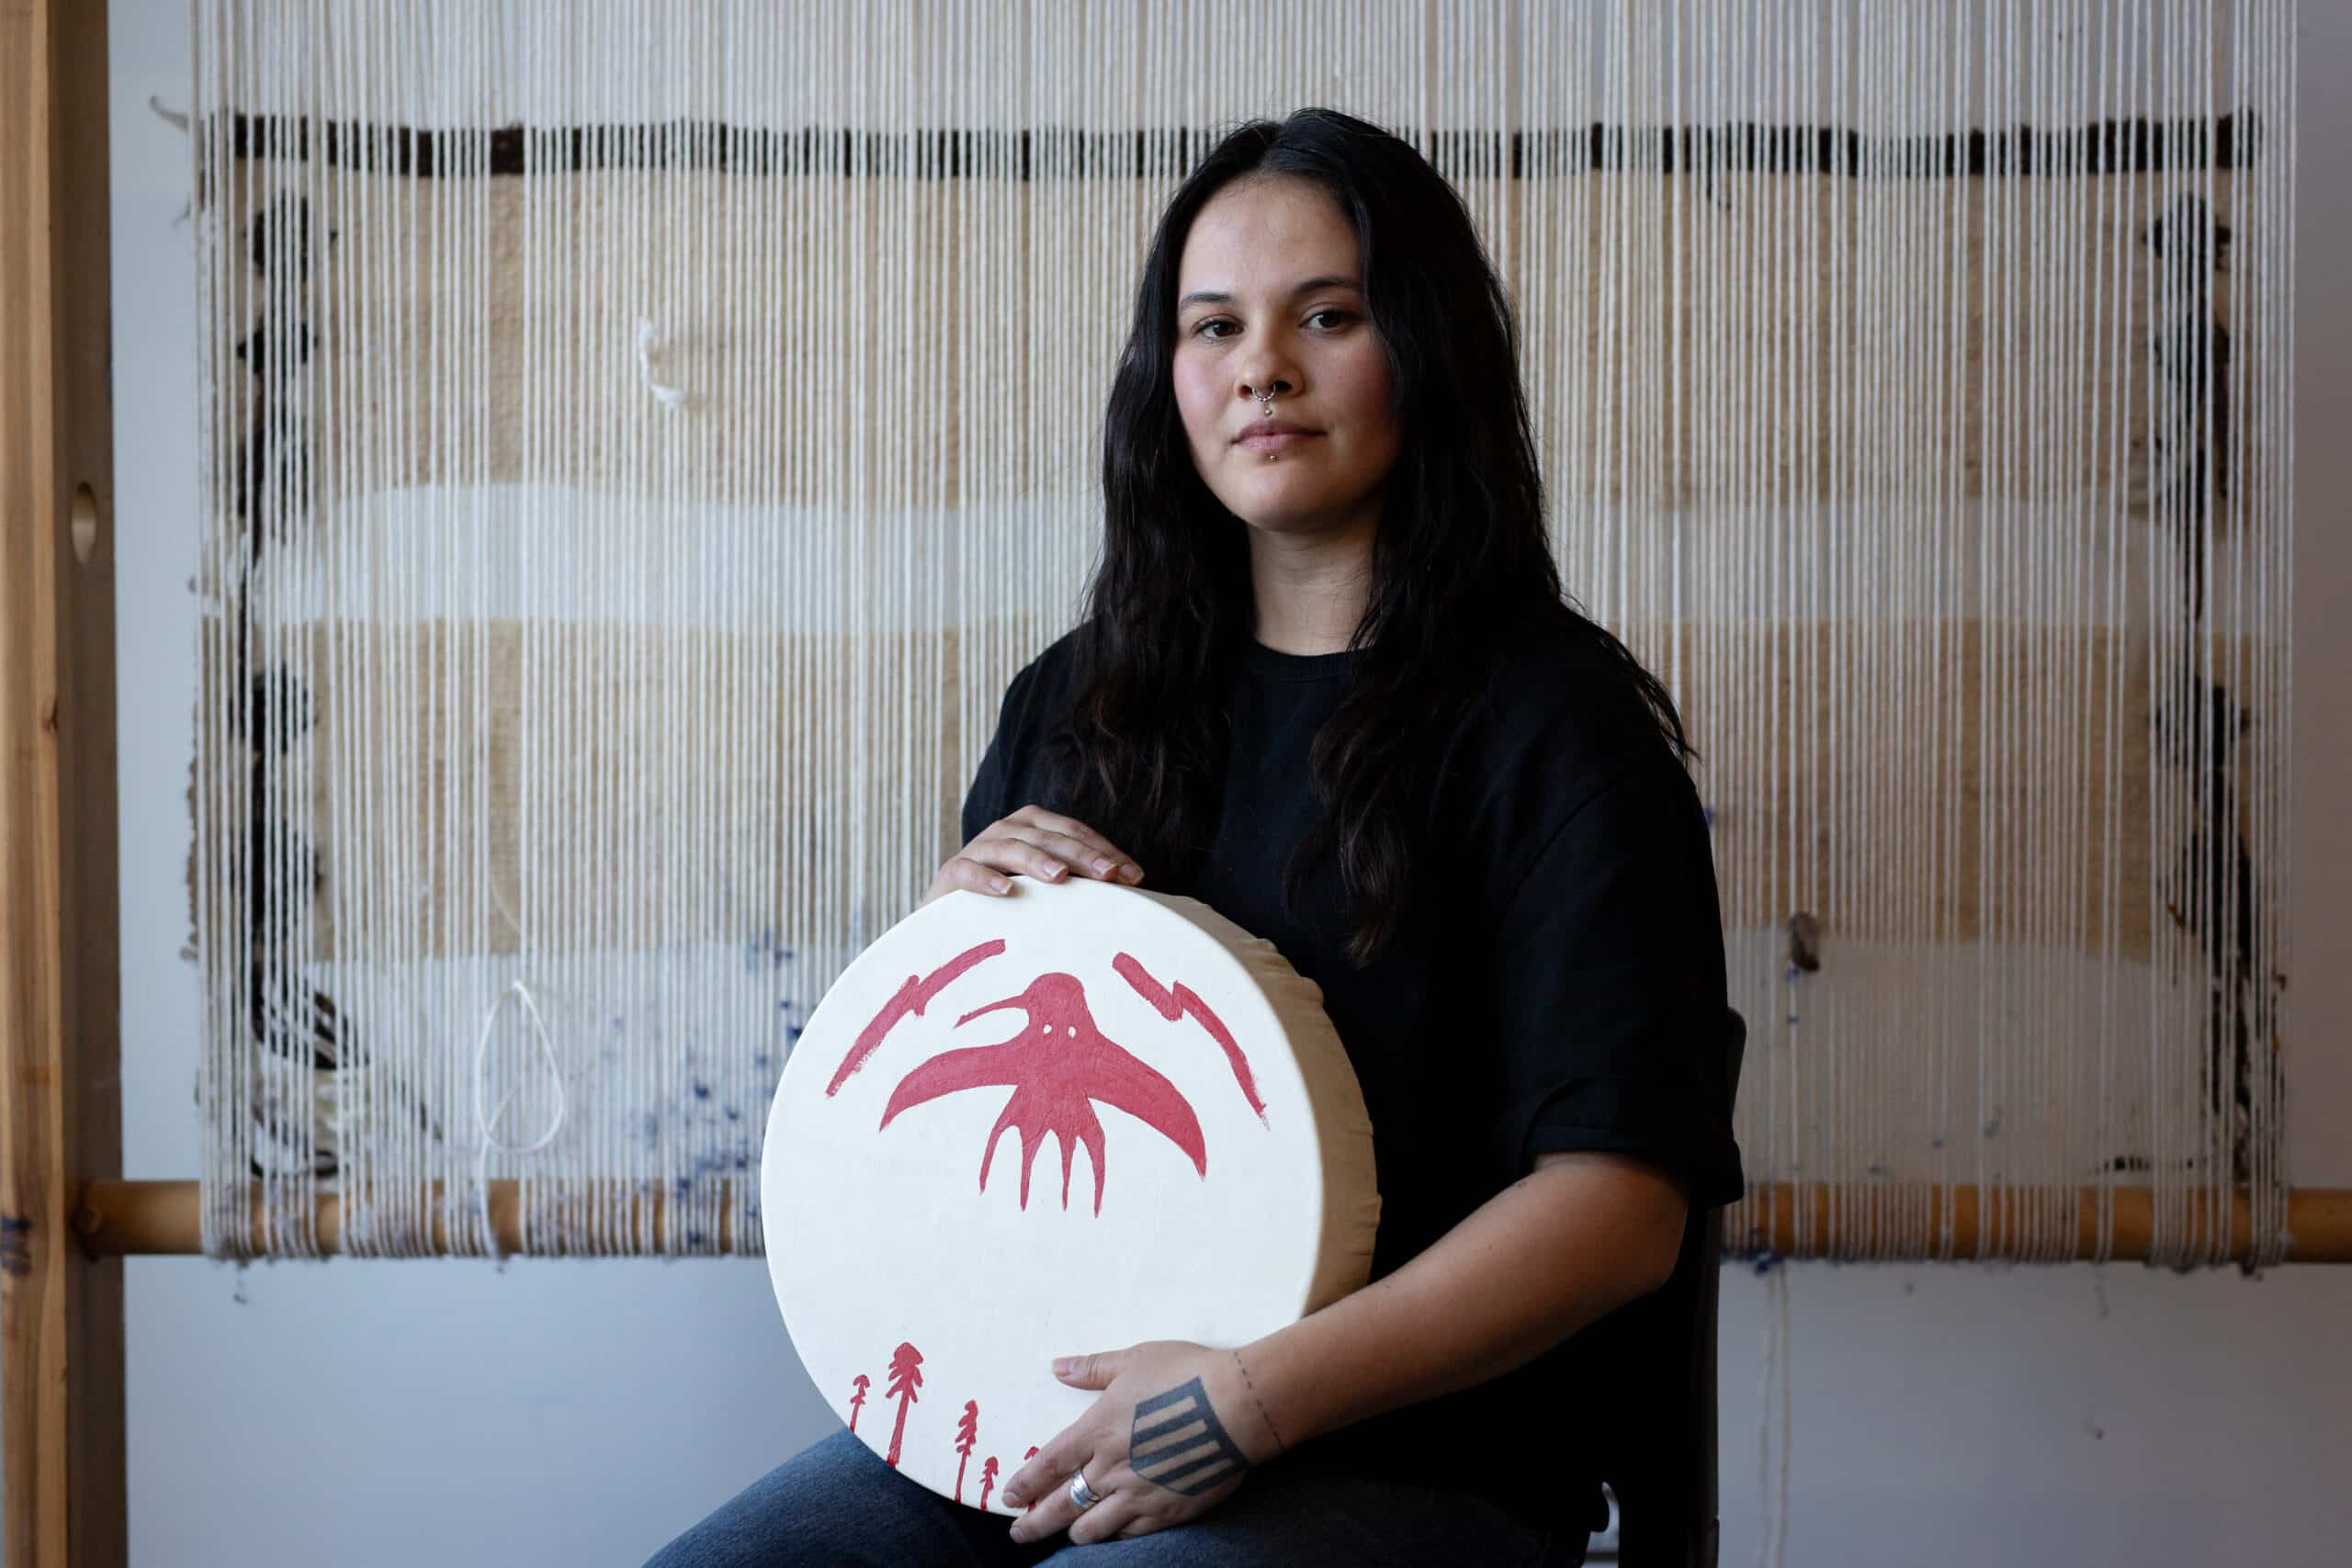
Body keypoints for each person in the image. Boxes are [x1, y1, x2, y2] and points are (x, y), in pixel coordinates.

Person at [646, 105, 1744, 1568]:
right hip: (1031, 1431)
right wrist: (944, 960)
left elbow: (1616, 1215)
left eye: (1328, 316)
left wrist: (1247, 1404)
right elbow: (955, 1149)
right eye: (1212, 326)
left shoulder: (1557, 732)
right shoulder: (1083, 701)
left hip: (1416, 1461)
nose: (1262, 370)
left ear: (1426, 348)